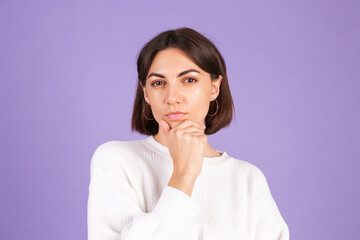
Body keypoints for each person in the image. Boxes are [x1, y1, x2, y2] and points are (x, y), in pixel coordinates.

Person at [87, 27, 289, 240]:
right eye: (158, 83)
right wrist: (184, 175)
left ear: (214, 88)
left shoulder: (247, 178)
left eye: (189, 80)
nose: (172, 97)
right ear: (146, 93)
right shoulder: (116, 160)